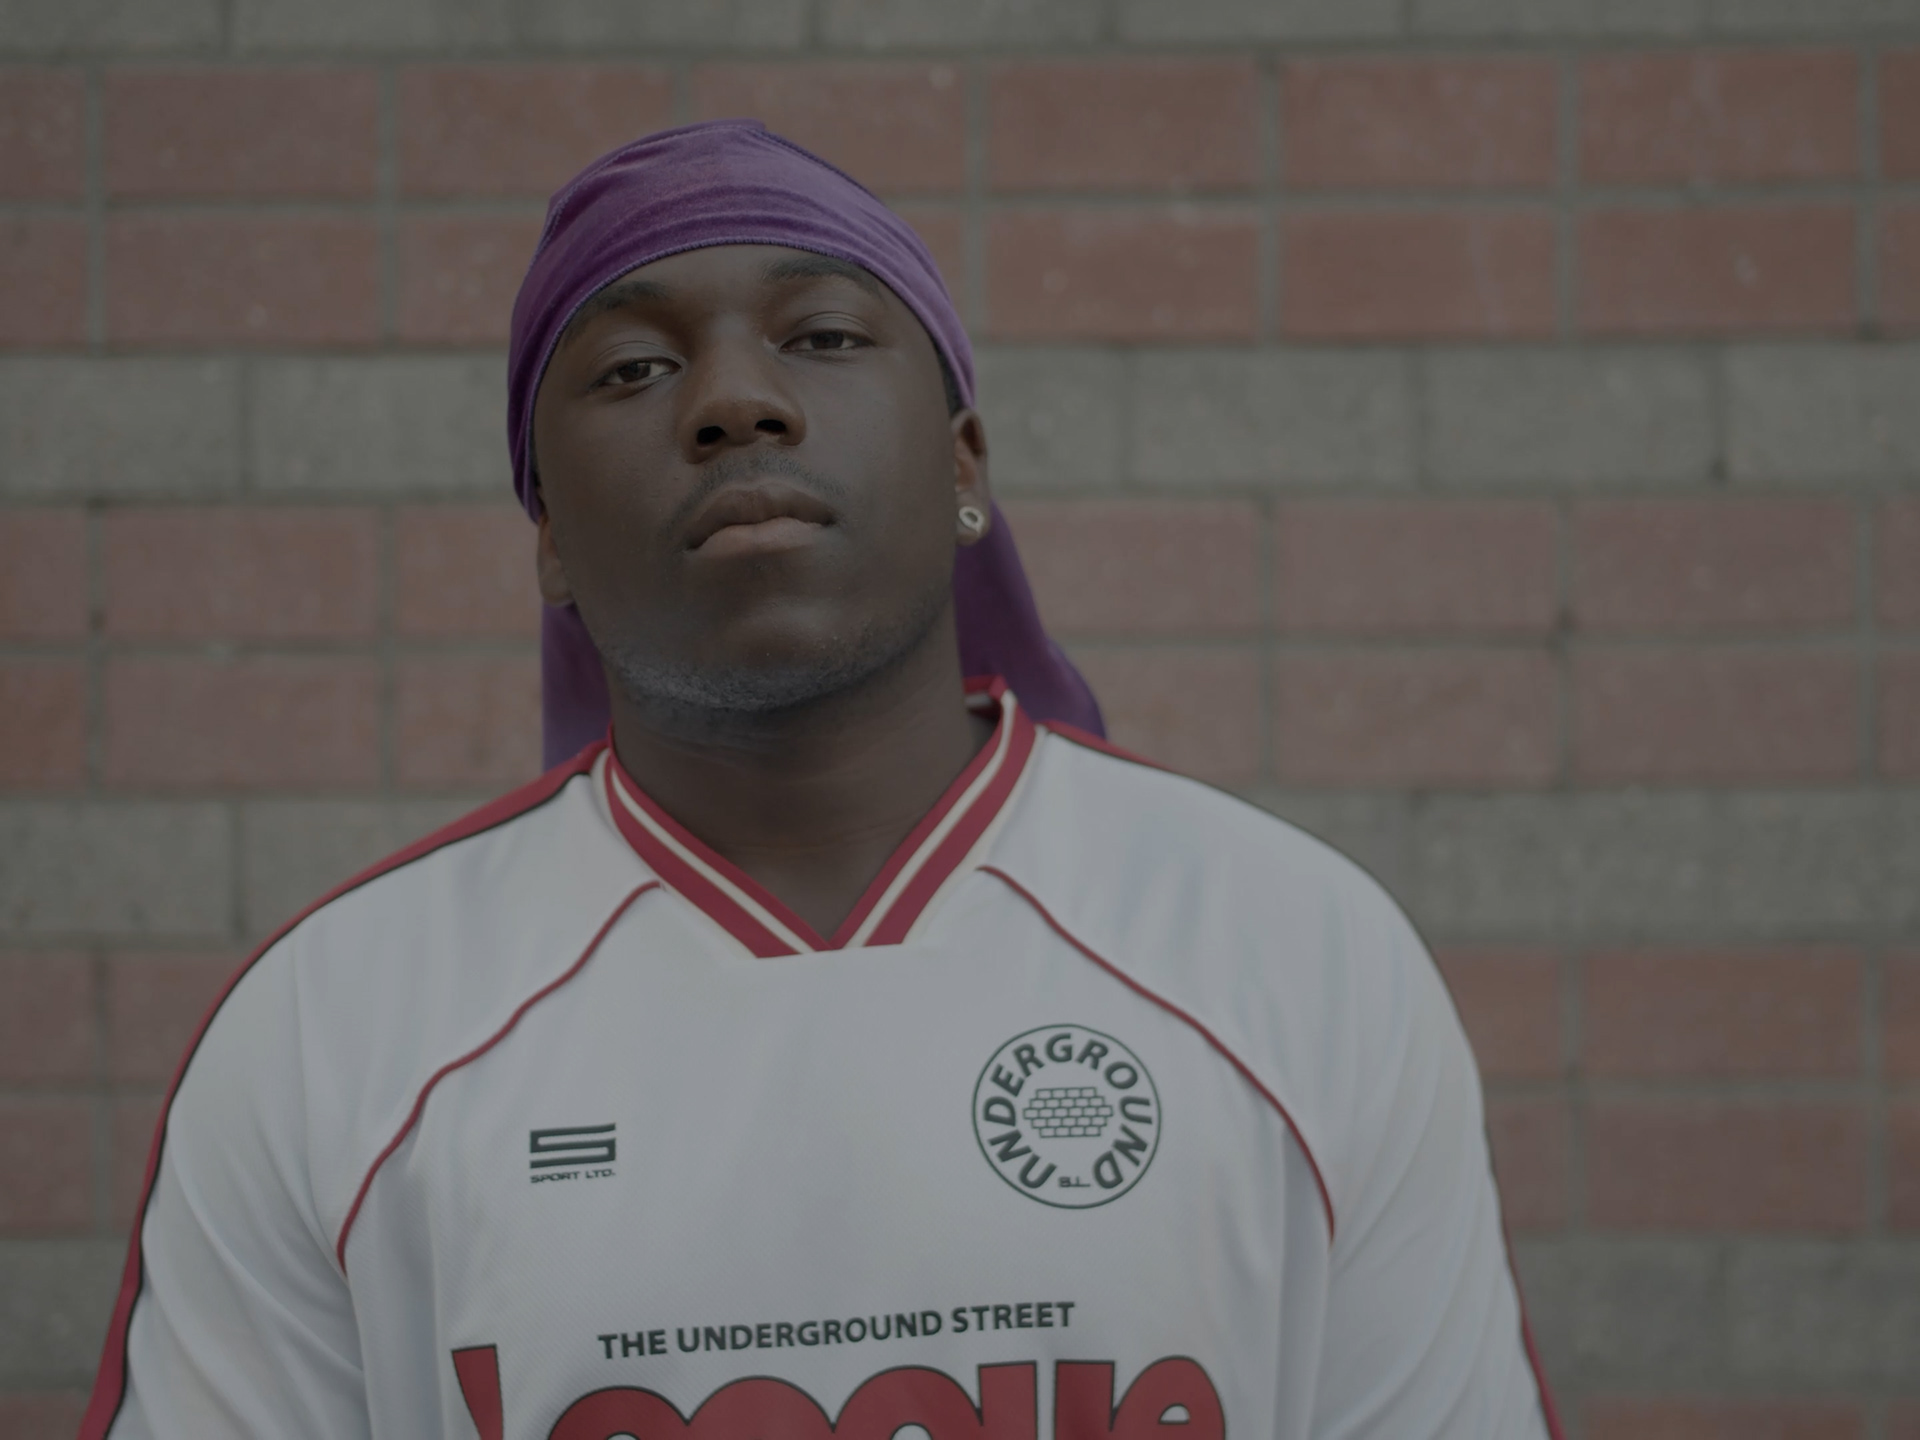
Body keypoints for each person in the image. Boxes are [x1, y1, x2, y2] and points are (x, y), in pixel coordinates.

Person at [81, 121, 1561, 1440]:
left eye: (826, 336)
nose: (735, 401)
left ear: (966, 463)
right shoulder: (332, 1031)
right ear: (550, 539)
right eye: (634, 367)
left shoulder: (1295, 953)